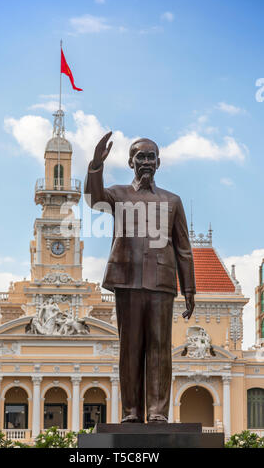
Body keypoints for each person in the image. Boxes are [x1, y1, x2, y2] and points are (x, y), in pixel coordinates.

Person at [85, 132, 196, 423]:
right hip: (127, 280)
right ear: (130, 162)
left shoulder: (173, 201)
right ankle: (132, 412)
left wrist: (189, 289)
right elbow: (94, 200)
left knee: (160, 348)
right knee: (130, 348)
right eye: (140, 156)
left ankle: (158, 412)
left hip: (161, 283)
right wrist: (95, 165)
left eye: (150, 157)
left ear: (158, 162)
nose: (145, 161)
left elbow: (184, 248)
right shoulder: (118, 194)